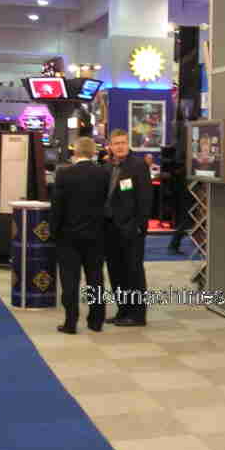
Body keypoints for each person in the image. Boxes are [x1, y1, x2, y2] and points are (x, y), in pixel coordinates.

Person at [50, 136, 110, 334]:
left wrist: (53, 232)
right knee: (95, 279)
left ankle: (70, 322)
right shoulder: (104, 174)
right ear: (93, 152)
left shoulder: (64, 174)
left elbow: (57, 207)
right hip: (96, 236)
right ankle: (96, 321)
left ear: (75, 152)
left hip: (68, 236)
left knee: (70, 280)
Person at [103, 128, 153, 327]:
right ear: (110, 146)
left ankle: (138, 315)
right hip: (110, 229)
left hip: (131, 229)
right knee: (116, 272)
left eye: (123, 143)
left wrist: (140, 225)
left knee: (133, 272)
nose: (120, 147)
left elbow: (145, 199)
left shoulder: (138, 166)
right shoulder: (107, 166)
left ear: (128, 144)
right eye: (116, 143)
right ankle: (123, 310)